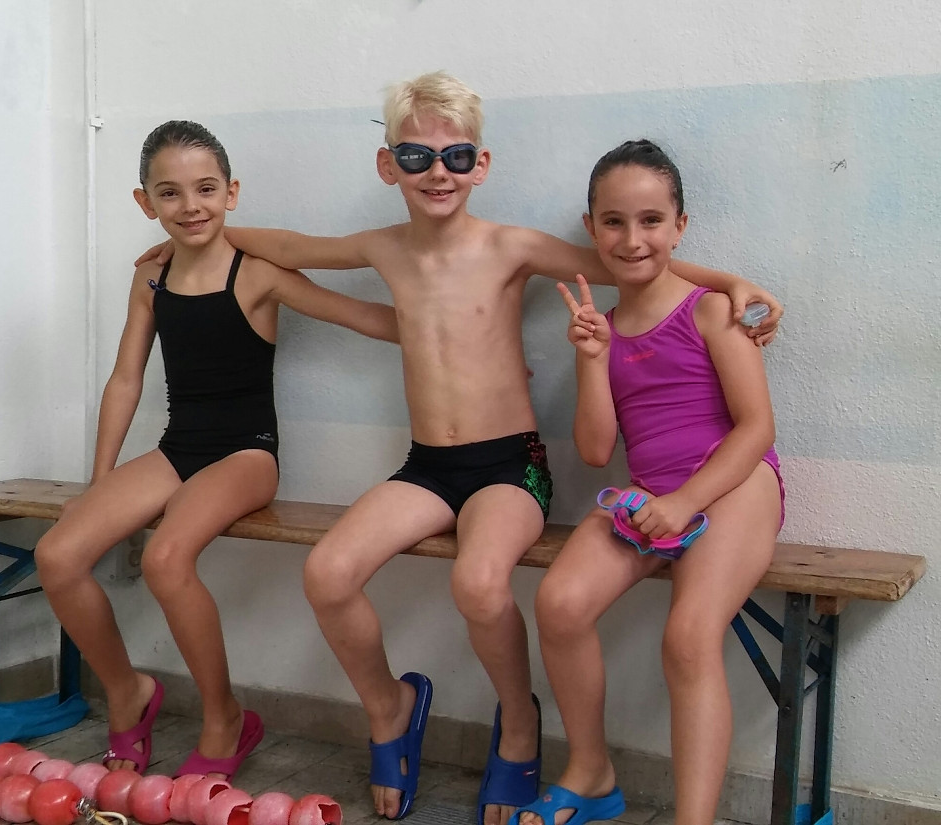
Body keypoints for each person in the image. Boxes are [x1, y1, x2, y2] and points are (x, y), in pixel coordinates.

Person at [136, 72, 782, 823]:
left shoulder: (511, 246)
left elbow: (626, 260)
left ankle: (518, 722)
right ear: (388, 166)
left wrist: (732, 281)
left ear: (481, 164)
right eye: (416, 157)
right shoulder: (382, 247)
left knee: (479, 583)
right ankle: (389, 710)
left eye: (456, 156)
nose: (437, 171)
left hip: (510, 464)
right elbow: (287, 244)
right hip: (428, 466)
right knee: (328, 571)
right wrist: (188, 237)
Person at [34, 120, 399, 781]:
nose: (190, 205)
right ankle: (127, 690)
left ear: (231, 193)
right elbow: (125, 379)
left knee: (166, 557)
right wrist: (99, 482)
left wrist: (462, 338)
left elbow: (365, 318)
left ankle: (225, 715)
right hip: (179, 448)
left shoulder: (256, 273)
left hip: (246, 454)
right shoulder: (150, 279)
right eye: (169, 193)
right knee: (57, 554)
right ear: (145, 202)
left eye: (205, 188)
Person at [512, 140, 784, 825]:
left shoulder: (712, 310)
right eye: (613, 222)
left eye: (651, 220)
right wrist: (591, 359)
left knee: (688, 636)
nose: (632, 240)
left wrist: (687, 501)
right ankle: (592, 773)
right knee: (560, 603)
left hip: (735, 484)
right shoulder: (601, 329)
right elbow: (596, 450)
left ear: (679, 226)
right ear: (591, 227)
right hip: (651, 495)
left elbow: (757, 429)